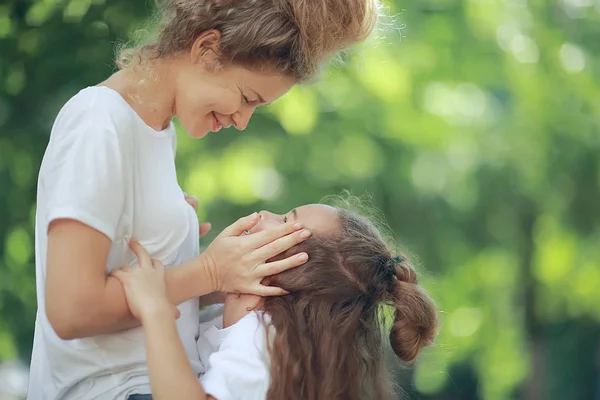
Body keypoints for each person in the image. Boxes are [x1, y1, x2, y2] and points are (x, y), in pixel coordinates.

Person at [28, 0, 381, 397]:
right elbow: (71, 310)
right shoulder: (99, 122)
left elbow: (135, 280)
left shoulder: (158, 134)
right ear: (206, 49)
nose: (243, 121)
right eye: (247, 97)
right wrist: (208, 271)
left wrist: (214, 272)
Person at [113, 204, 439, 400]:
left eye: (284, 221)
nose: (263, 215)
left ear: (287, 275)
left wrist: (155, 310)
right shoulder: (250, 324)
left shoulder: (262, 341)